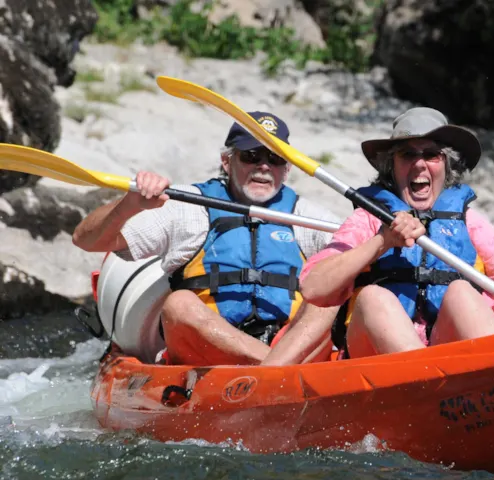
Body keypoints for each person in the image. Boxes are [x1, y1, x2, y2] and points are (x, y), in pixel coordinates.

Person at [297, 107, 494, 358]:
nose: (419, 164)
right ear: (391, 167)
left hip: (443, 356)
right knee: (373, 297)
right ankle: (424, 379)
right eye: (407, 154)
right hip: (375, 361)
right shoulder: (368, 220)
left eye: (431, 154)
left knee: (462, 291)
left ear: (446, 165)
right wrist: (382, 241)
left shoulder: (470, 223)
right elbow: (313, 287)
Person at [72, 111, 339, 366]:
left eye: (275, 157)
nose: (264, 166)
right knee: (179, 304)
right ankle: (275, 369)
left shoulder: (308, 217)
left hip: (289, 343)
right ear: (227, 161)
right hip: (208, 351)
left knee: (331, 293)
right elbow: (87, 241)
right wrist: (130, 205)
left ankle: (274, 366)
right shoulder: (187, 206)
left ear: (287, 167)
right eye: (251, 155)